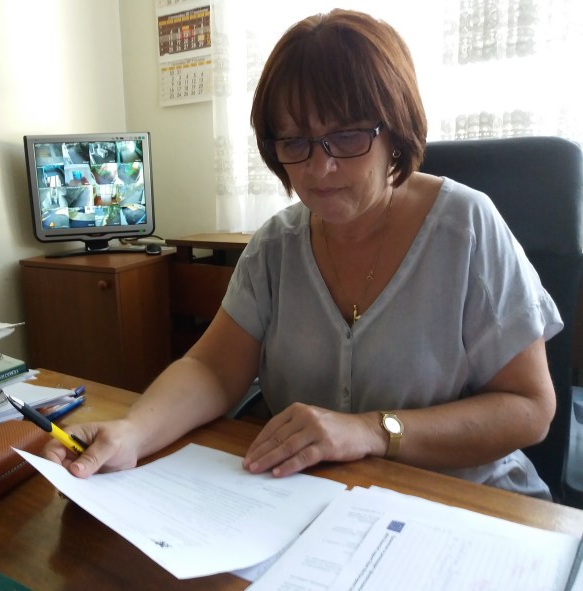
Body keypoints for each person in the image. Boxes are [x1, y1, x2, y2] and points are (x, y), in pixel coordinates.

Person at [44, 9, 561, 499]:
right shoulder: (275, 246)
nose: (319, 168)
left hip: (467, 502)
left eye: (347, 136)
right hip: (316, 501)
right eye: (295, 141)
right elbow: (212, 369)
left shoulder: (466, 229)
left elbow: (529, 408)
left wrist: (372, 431)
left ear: (396, 130)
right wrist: (132, 431)